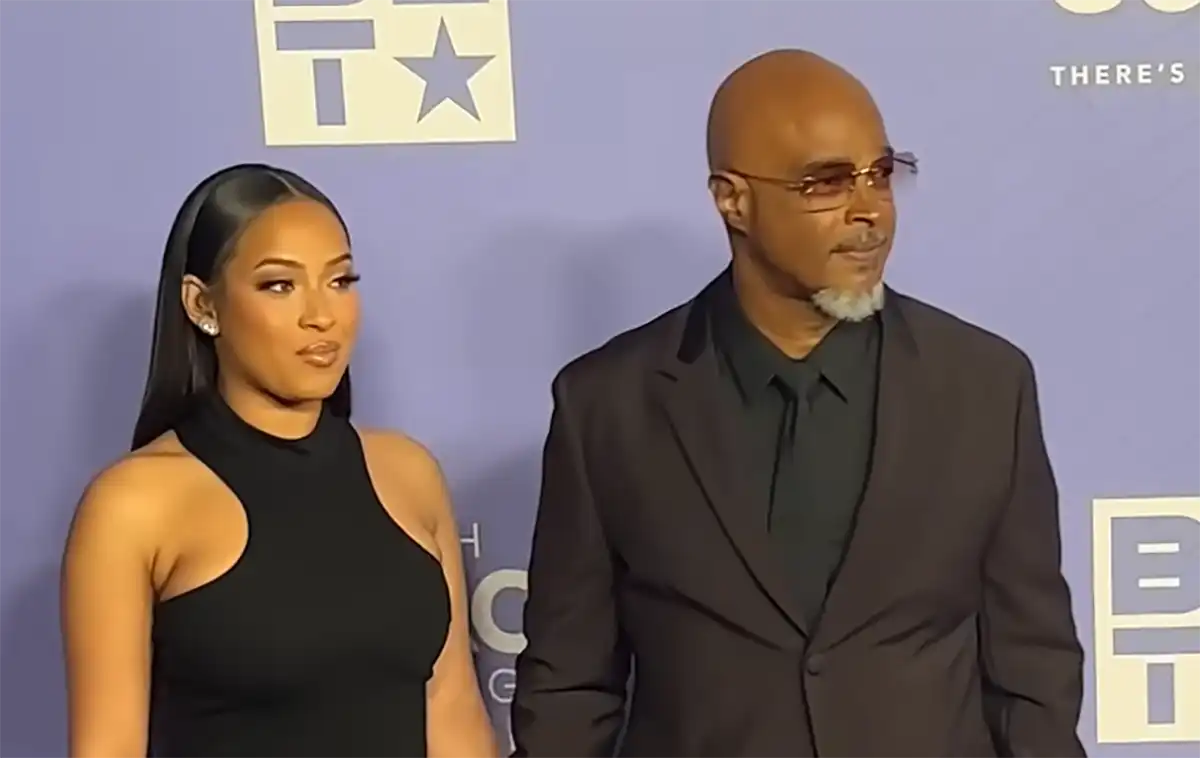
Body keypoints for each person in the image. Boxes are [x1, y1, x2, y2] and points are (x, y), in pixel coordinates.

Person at [511, 50, 1086, 758]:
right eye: (827, 182)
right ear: (732, 200)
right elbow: (569, 686)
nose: (870, 210)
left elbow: (1033, 669)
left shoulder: (984, 386)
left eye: (881, 173)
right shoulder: (607, 406)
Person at [60, 164, 497, 758]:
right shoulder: (135, 504)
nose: (322, 315)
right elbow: (107, 748)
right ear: (201, 304)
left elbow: (452, 716)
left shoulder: (408, 473)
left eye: (340, 281)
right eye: (279, 286)